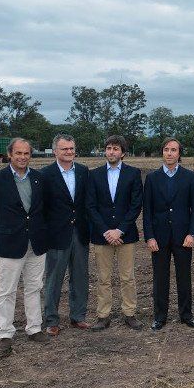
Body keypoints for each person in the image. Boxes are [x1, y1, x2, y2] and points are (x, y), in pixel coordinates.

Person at [0, 138, 49, 357]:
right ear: (10, 154)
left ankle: (34, 328)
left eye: (26, 153)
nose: (22, 157)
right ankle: (5, 333)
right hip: (9, 244)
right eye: (18, 153)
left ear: (30, 155)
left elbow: (44, 209)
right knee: (7, 290)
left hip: (36, 243)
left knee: (34, 287)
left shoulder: (39, 178)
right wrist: (4, 230)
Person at [87, 135, 144, 331]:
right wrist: (106, 231)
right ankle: (103, 315)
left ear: (123, 153)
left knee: (127, 277)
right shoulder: (94, 175)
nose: (111, 152)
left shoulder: (133, 173)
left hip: (125, 236)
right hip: (101, 236)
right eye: (109, 148)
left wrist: (119, 230)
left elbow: (136, 205)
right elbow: (91, 206)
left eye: (116, 149)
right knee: (103, 278)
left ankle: (129, 313)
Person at [143, 138, 194, 330]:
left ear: (179, 153)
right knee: (160, 278)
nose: (169, 153)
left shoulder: (190, 177)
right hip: (159, 238)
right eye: (166, 149)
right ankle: (160, 316)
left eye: (173, 150)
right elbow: (147, 211)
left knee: (184, 277)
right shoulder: (152, 178)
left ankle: (186, 314)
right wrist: (149, 236)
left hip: (183, 237)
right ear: (162, 152)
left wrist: (192, 233)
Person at [41, 134, 91, 336]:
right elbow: (42, 207)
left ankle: (78, 316)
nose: (69, 152)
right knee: (54, 279)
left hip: (80, 233)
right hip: (56, 235)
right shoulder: (45, 175)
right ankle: (51, 320)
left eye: (71, 148)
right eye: (64, 149)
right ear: (55, 151)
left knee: (80, 277)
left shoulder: (83, 172)